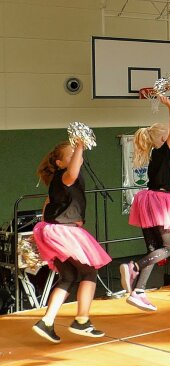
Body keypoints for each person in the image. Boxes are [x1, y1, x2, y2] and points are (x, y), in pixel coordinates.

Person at [31, 140, 112, 343]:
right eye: (71, 154)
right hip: (63, 231)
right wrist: (80, 146)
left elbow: (48, 204)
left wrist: (45, 231)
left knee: (68, 275)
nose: (76, 156)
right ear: (59, 163)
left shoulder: (62, 181)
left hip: (53, 230)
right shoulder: (66, 176)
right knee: (89, 271)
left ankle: (47, 321)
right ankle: (82, 320)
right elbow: (73, 172)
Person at [123, 95, 170, 312]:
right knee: (167, 248)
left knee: (153, 248)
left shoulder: (154, 154)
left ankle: (138, 291)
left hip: (147, 199)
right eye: (167, 137)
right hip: (159, 200)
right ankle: (135, 266)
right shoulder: (161, 151)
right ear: (161, 139)